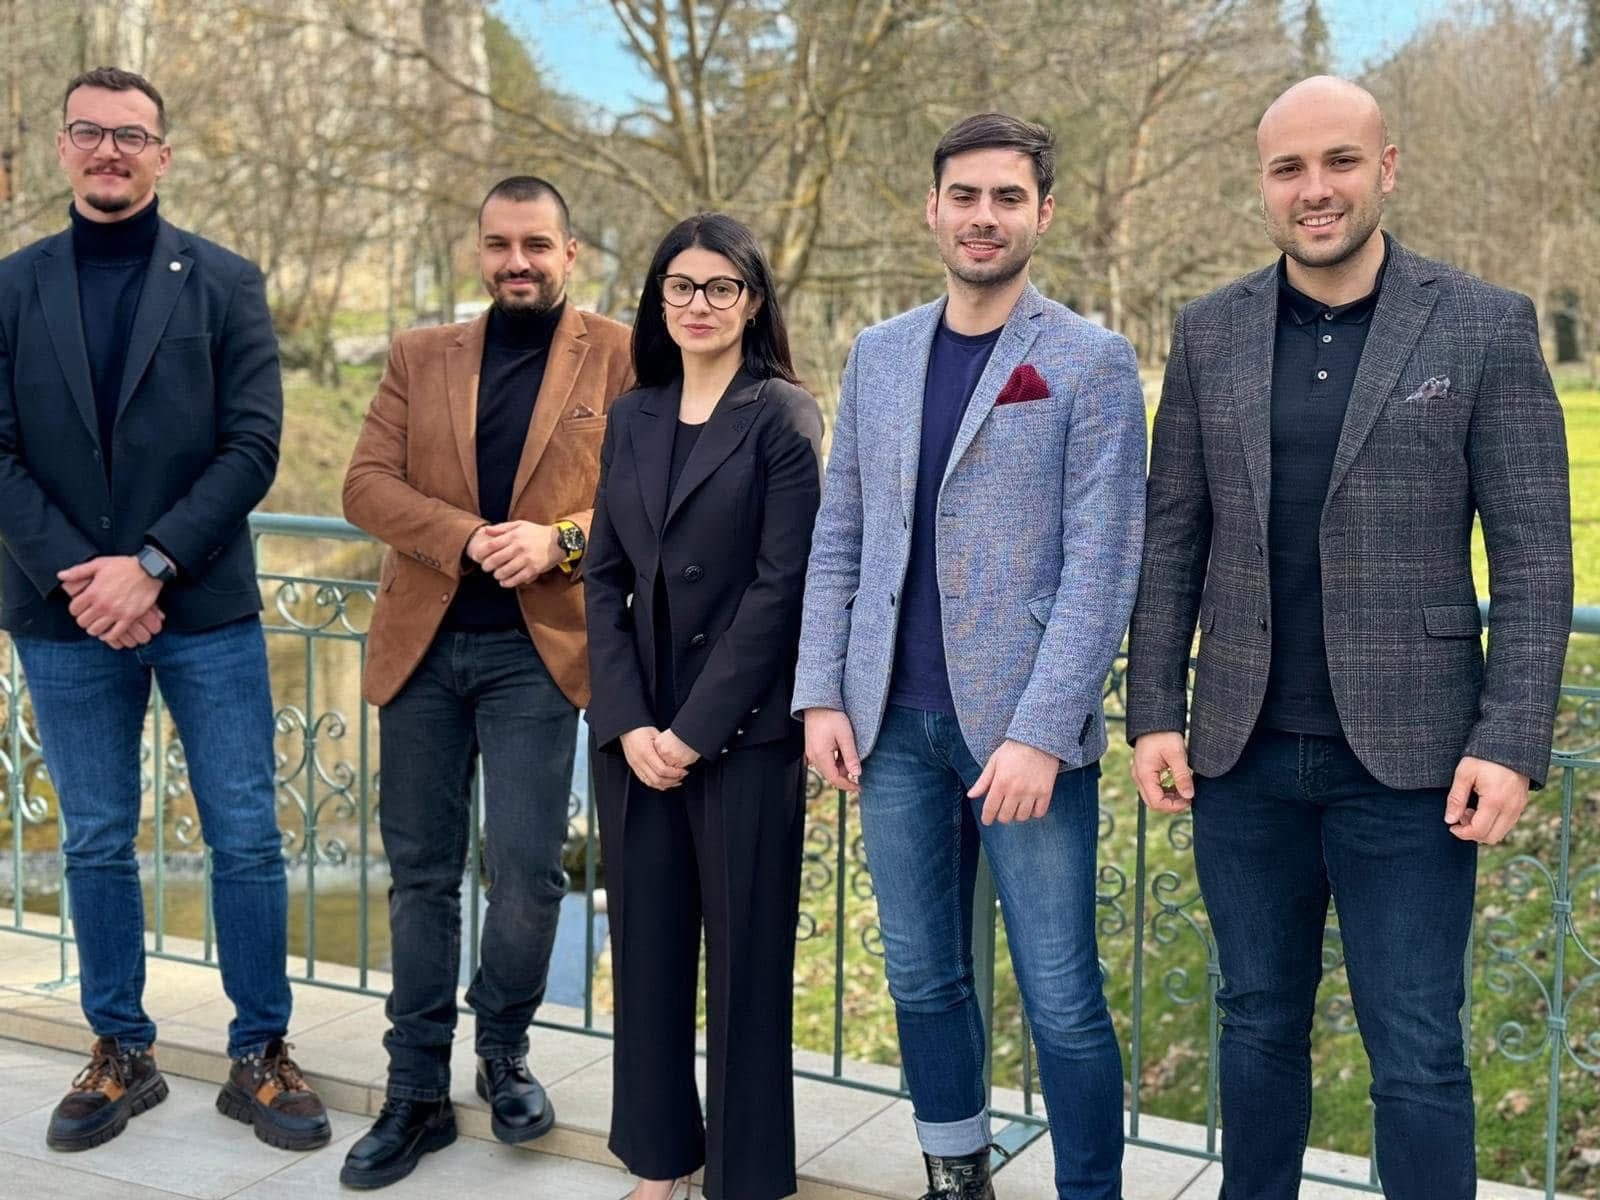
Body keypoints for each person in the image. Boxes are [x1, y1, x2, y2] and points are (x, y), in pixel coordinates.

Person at [1125, 76, 1572, 1200]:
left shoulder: (1483, 323)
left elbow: (1533, 557)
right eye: (1288, 168)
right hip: (1241, 757)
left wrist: (1510, 740)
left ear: (1388, 168)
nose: (1313, 189)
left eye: (1338, 161)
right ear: (1263, 184)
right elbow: (1171, 535)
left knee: (1416, 1050)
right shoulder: (1210, 330)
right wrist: (1151, 713)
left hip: (1415, 765)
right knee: (1254, 1022)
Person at [793, 113, 1146, 1200]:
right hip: (889, 723)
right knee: (920, 976)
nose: (983, 216)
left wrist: (1042, 732)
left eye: (1007, 198)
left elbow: (1102, 564)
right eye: (964, 196)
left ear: (1043, 213)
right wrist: (821, 693)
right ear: (932, 209)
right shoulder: (879, 352)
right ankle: (958, 1177)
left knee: (1061, 996)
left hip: (1020, 735)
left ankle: (1090, 1192)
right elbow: (841, 531)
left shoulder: (1088, 361)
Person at [0, 67, 330, 1154]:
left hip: (205, 607)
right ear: (62, 147)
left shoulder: (225, 282)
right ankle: (120, 1051)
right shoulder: (10, 287)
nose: (110, 150)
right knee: (96, 838)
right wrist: (85, 577)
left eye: (130, 135)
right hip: (63, 616)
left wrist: (148, 566)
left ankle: (260, 1054)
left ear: (163, 155)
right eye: (89, 131)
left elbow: (253, 445)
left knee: (244, 835)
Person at [339, 175, 632, 1189]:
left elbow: (649, 492)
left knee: (527, 869)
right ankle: (415, 1087)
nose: (518, 261)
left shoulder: (623, 352)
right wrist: (467, 537)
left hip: (538, 654)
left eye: (537, 244)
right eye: (501, 244)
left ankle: (502, 1051)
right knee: (422, 876)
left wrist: (559, 541)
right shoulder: (421, 354)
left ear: (570, 252)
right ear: (480, 252)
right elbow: (364, 486)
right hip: (421, 648)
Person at [585, 212, 822, 1200]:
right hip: (635, 735)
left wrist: (691, 731)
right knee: (645, 959)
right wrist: (630, 720)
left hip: (745, 737)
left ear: (753, 301)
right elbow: (602, 577)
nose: (698, 304)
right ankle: (660, 1163)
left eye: (720, 287)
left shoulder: (784, 416)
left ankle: (745, 1178)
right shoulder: (632, 415)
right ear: (658, 299)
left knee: (745, 971)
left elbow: (781, 588)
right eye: (680, 286)